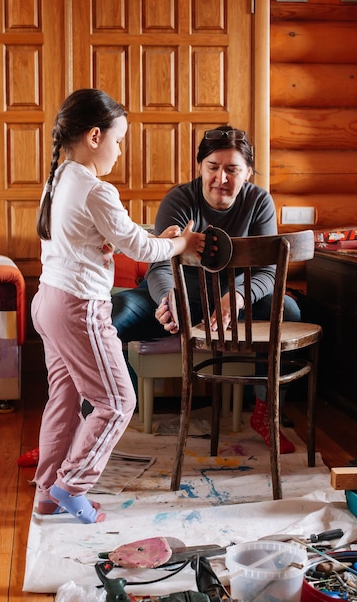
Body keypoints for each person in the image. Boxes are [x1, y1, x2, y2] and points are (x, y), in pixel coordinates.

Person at [31, 88, 205, 522]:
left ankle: (46, 493)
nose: (120, 150)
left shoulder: (58, 179)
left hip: (47, 300)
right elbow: (139, 247)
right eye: (119, 139)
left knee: (64, 399)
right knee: (117, 402)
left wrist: (145, 243)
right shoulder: (95, 188)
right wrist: (182, 242)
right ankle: (71, 486)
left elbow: (95, 238)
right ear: (94, 135)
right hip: (78, 308)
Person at [111, 125, 301, 454]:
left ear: (248, 172)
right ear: (200, 166)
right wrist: (168, 299)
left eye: (232, 169)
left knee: (290, 311)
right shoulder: (180, 198)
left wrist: (238, 297)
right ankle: (89, 418)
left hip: (234, 305)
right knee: (108, 315)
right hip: (181, 297)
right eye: (213, 167)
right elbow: (160, 265)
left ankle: (265, 412)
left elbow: (267, 272)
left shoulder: (259, 202)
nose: (221, 178)